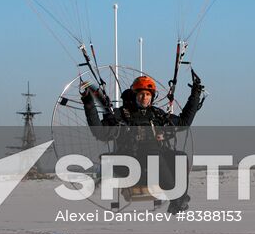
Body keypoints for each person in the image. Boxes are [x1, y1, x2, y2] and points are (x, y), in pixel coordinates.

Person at [80, 69, 205, 213]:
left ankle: (177, 201)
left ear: (152, 97)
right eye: (141, 94)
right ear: (135, 96)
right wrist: (88, 101)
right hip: (129, 164)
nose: (144, 98)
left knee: (180, 157)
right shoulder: (122, 114)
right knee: (153, 154)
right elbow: (99, 132)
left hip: (155, 165)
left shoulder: (157, 114)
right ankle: (176, 197)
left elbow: (183, 122)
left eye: (147, 95)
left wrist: (195, 94)